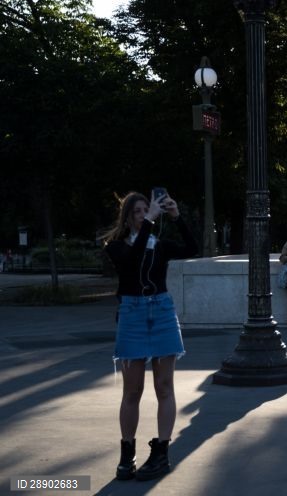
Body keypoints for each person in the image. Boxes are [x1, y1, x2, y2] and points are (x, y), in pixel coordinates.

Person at [102, 190, 198, 482]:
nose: (144, 215)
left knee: (164, 387)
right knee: (132, 391)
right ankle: (126, 453)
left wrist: (177, 216)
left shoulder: (160, 245)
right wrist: (149, 224)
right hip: (132, 314)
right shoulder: (116, 246)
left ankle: (161, 452)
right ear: (128, 217)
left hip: (163, 312)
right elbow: (130, 262)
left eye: (148, 210)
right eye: (138, 212)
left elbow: (192, 249)